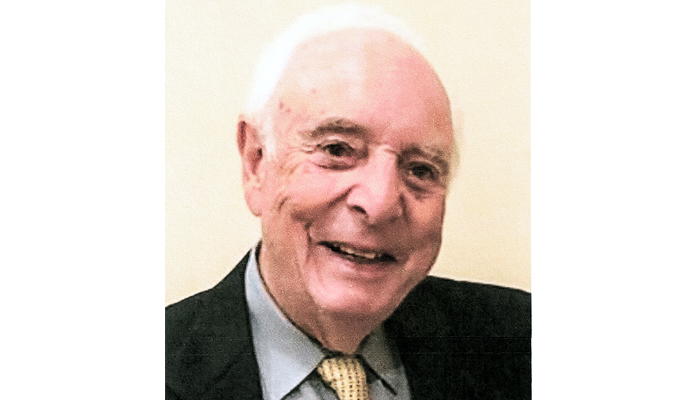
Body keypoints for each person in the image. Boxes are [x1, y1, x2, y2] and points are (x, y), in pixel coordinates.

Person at [166, 4, 530, 400]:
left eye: (420, 170)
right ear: (256, 162)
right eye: (337, 149)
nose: (380, 204)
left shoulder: (524, 344)